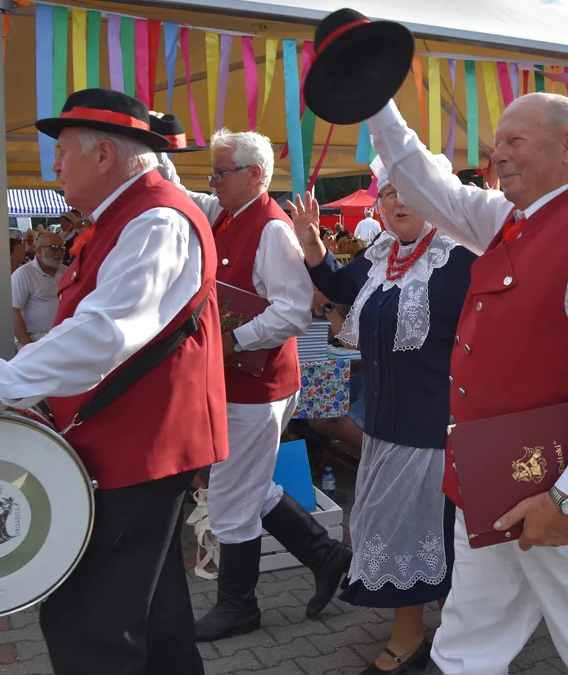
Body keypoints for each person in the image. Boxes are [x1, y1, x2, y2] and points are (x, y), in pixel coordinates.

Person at [0, 88, 227, 674]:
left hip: (141, 449)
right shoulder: (129, 216)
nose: (53, 165)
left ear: (105, 154)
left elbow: (102, 336)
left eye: (61, 151)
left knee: (89, 626)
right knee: (153, 618)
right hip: (130, 444)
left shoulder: (155, 220)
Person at [369, 92, 568, 675]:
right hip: (495, 484)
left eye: (514, 141)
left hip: (563, 496)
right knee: (466, 646)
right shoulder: (512, 220)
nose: (497, 155)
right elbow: (425, 180)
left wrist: (567, 497)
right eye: (496, 144)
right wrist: (375, 101)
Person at [154, 125, 352, 642]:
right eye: (214, 173)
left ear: (255, 175)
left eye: (222, 173)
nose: (213, 181)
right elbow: (179, 190)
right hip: (235, 380)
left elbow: (292, 312)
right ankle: (326, 555)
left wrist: (233, 341)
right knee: (244, 483)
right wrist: (156, 150)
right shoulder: (227, 210)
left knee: (231, 498)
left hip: (259, 383)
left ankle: (239, 606)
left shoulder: (271, 228)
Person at [292, 151, 476, 674]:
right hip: (387, 427)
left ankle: (430, 634)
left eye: (410, 189)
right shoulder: (383, 254)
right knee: (401, 533)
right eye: (389, 191)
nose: (397, 200)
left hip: (438, 428)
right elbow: (342, 285)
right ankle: (427, 632)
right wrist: (312, 246)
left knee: (434, 534)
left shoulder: (460, 258)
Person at [12, 231, 68, 347]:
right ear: (38, 251)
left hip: (64, 336)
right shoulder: (23, 274)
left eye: (62, 249)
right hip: (35, 337)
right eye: (53, 248)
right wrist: (27, 346)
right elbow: (13, 312)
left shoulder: (66, 272)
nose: (59, 253)